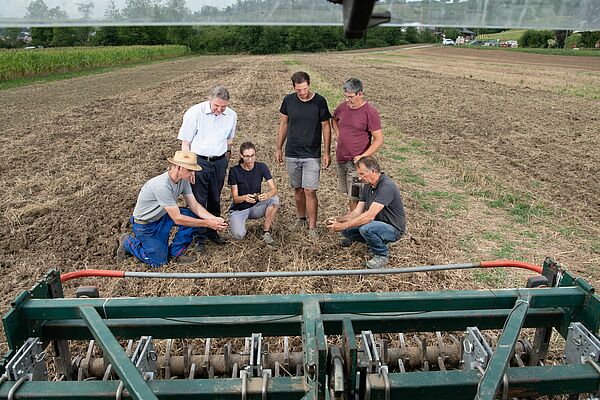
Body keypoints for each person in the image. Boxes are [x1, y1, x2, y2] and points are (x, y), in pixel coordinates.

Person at [116, 150, 228, 267]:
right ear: (179, 168)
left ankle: (176, 252)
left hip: (163, 215)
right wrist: (207, 223)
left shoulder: (183, 180)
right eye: (190, 170)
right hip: (146, 225)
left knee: (193, 215)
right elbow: (178, 219)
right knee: (158, 262)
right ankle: (127, 242)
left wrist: (214, 219)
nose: (192, 173)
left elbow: (194, 205)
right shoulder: (162, 186)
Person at [177, 85, 237, 249]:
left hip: (219, 162)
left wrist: (226, 158)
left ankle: (213, 231)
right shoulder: (195, 112)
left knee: (215, 197)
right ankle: (199, 237)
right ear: (209, 100)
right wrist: (188, 167)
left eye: (223, 106)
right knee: (198, 199)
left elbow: (229, 140)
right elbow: (185, 143)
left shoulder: (231, 115)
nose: (219, 109)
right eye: (216, 106)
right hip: (199, 162)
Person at [276, 71, 332, 238]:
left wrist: (327, 152)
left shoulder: (320, 102)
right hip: (292, 152)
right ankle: (301, 218)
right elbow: (284, 124)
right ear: (293, 87)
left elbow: (326, 127)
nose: (302, 92)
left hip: (311, 154)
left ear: (309, 84)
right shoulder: (288, 100)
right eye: (299, 90)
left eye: (305, 88)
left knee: (310, 190)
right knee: (298, 189)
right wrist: (279, 147)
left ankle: (312, 226)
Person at [326, 156, 405, 269]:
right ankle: (376, 240)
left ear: (372, 171)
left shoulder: (386, 187)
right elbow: (357, 212)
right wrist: (338, 220)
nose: (360, 177)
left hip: (393, 228)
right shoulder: (368, 186)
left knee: (366, 228)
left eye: (362, 174)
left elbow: (369, 216)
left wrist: (342, 225)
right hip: (376, 224)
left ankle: (381, 254)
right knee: (347, 231)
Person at [332, 78, 383, 211]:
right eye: (345, 96)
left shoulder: (370, 112)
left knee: (357, 197)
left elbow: (379, 140)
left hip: (357, 165)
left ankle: (358, 227)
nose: (347, 100)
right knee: (350, 196)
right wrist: (338, 134)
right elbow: (334, 120)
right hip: (341, 160)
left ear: (360, 94)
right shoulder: (343, 107)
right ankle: (354, 225)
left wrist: (362, 156)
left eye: (350, 97)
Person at [228, 142, 280, 244]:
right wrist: (244, 198)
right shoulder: (234, 171)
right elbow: (235, 198)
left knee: (274, 199)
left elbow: (274, 189)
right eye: (247, 156)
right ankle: (236, 222)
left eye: (252, 156)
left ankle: (266, 231)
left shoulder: (261, 167)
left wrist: (268, 195)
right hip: (240, 208)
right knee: (239, 235)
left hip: (256, 206)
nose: (250, 159)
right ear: (241, 156)